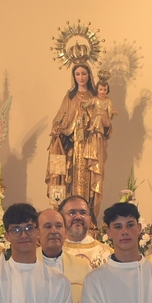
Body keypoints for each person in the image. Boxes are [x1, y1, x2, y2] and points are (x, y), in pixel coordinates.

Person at [46, 64, 97, 207]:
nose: (81, 77)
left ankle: (88, 213)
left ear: (89, 75)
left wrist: (88, 110)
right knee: (67, 178)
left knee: (87, 180)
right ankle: (65, 211)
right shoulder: (70, 97)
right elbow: (58, 119)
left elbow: (102, 120)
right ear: (74, 77)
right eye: (78, 74)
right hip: (70, 144)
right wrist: (57, 129)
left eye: (84, 73)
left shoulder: (94, 97)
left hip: (89, 145)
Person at [82, 79, 115, 214]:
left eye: (105, 90)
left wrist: (108, 123)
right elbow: (85, 105)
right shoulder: (93, 100)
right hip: (90, 139)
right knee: (97, 118)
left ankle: (93, 213)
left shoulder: (107, 101)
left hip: (100, 137)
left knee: (100, 118)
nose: (102, 92)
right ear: (97, 89)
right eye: (100, 89)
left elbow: (110, 112)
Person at [59, 195, 112, 270]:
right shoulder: (52, 252)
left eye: (83, 213)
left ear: (90, 219)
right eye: (72, 213)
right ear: (61, 218)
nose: (78, 217)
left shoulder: (108, 253)